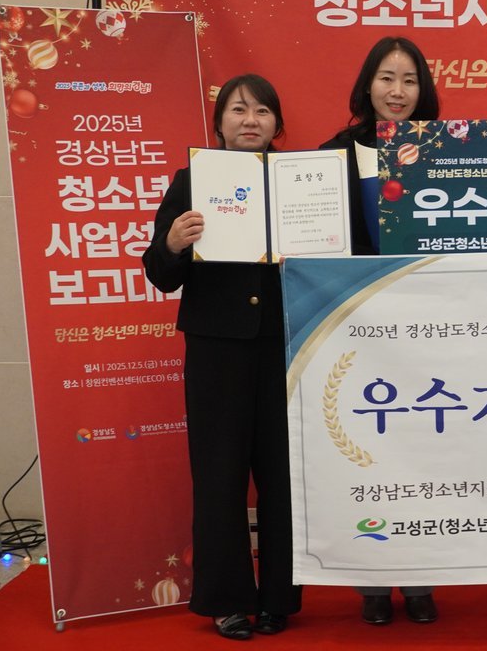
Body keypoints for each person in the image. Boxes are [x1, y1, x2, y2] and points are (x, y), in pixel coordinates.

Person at [142, 74, 302, 640]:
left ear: (277, 123)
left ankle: (279, 596)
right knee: (219, 475)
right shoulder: (192, 181)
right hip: (216, 349)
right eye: (238, 110)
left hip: (288, 346)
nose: (250, 120)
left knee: (283, 477)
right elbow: (160, 273)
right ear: (219, 123)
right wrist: (173, 244)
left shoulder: (302, 180)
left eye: (262, 111)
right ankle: (227, 599)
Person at [320, 36, 442, 625]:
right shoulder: (332, 157)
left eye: (409, 80)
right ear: (367, 85)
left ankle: (420, 581)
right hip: (357, 331)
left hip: (427, 330)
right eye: (387, 78)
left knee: (423, 453)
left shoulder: (447, 150)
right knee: (366, 456)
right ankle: (371, 581)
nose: (397, 91)